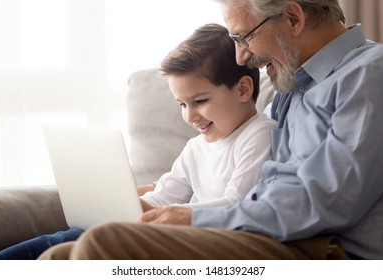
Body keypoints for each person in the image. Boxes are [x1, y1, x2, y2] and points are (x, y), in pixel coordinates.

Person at [37, 0, 383, 260]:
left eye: (243, 36)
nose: (239, 57)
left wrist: (196, 218)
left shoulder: (369, 75)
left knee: (103, 243)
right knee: (59, 257)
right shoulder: (292, 88)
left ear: (293, 18)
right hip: (278, 235)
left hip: (324, 249)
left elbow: (325, 201)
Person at [0, 23, 275, 260]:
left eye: (199, 101)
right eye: (181, 104)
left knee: (76, 242)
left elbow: (237, 203)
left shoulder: (259, 134)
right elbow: (163, 195)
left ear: (242, 89)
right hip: (170, 234)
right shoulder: (196, 147)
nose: (189, 116)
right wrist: (130, 204)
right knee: (65, 240)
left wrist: (157, 212)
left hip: (206, 244)